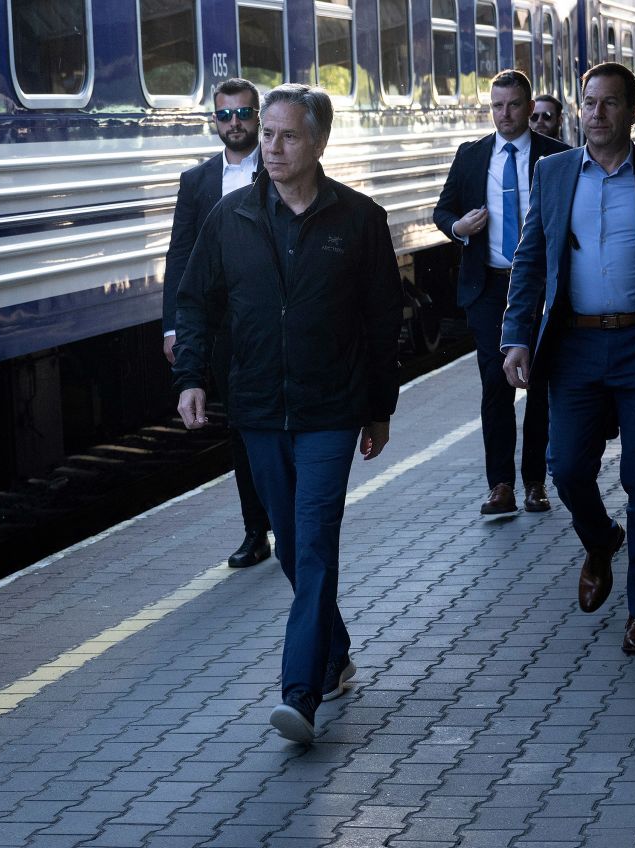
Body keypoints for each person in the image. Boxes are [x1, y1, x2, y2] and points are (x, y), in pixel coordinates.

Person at [173, 84, 402, 745]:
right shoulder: (230, 218)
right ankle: (334, 649)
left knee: (315, 538)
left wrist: (379, 407)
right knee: (291, 547)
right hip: (258, 410)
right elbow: (194, 302)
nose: (269, 147)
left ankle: (300, 694)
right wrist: (190, 376)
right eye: (266, 134)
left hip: (331, 407)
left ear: (319, 143)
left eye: (286, 136)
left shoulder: (359, 220)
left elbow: (384, 320)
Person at [502, 63, 635, 655]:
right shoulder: (554, 171)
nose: (597, 113)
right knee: (566, 470)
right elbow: (531, 259)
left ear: (633, 112)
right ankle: (600, 540)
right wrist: (516, 334)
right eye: (589, 103)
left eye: (610, 104)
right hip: (574, 346)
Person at [434, 70, 569, 516]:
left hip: (543, 288)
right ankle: (500, 485)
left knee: (540, 383)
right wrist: (458, 228)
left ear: (530, 109)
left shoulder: (558, 157)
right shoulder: (472, 156)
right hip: (490, 286)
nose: (504, 114)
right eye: (496, 106)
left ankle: (535, 483)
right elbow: (443, 209)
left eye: (512, 105)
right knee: (496, 386)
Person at [161, 78, 271, 569]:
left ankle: (288, 520)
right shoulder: (197, 181)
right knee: (241, 430)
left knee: (279, 425)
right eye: (225, 116)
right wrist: (174, 327)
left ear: (259, 117)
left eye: (244, 114)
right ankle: (256, 531)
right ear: (214, 121)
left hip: (274, 317)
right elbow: (180, 256)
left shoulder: (280, 165)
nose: (235, 124)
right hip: (226, 327)